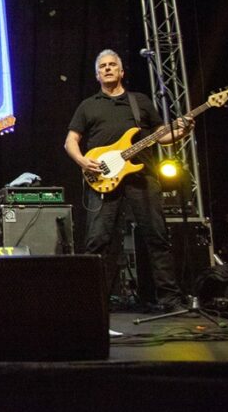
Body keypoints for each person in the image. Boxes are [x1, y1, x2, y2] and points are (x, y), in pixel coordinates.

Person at [64, 49, 193, 310]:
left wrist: (182, 131)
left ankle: (169, 298)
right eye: (103, 66)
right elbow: (71, 141)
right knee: (98, 240)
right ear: (97, 75)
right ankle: (94, 301)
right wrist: (82, 161)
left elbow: (161, 135)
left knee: (156, 236)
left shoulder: (140, 101)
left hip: (142, 177)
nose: (107, 68)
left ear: (121, 71)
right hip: (101, 177)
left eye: (112, 65)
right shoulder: (88, 105)